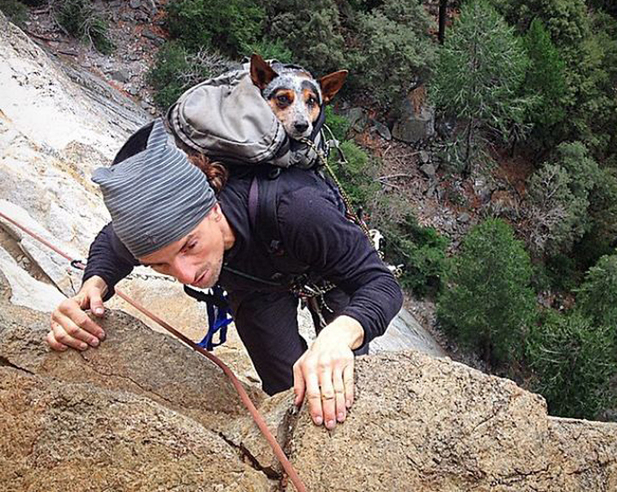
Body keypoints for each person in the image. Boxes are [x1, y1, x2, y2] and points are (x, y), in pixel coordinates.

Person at [47, 120, 403, 429]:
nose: (185, 275)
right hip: (253, 283)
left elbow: (379, 284)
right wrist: (91, 287)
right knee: (287, 389)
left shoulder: (297, 209)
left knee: (337, 376)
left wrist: (340, 334)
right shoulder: (163, 236)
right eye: (160, 265)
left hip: (327, 270)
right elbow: (111, 244)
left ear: (213, 209)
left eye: (190, 246)